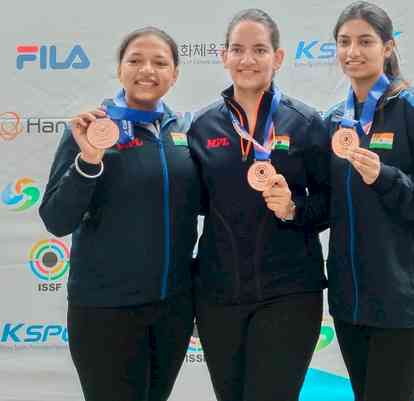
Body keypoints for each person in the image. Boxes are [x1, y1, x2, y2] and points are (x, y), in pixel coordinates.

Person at [39, 26, 200, 401]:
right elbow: (56, 219)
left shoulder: (182, 132)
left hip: (171, 308)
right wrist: (89, 160)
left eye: (160, 62)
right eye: (136, 60)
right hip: (105, 308)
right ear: (119, 69)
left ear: (174, 74)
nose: (148, 69)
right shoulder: (92, 129)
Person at [187, 8, 330, 401]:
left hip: (289, 294)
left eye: (259, 50)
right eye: (237, 49)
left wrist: (294, 209)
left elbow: (331, 205)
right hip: (219, 297)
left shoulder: (306, 123)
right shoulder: (201, 127)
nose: (247, 59)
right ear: (224, 56)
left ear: (278, 58)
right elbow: (191, 208)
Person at [322, 2, 414, 400]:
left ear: (388, 46)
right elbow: (329, 204)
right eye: (344, 42)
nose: (353, 51)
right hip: (352, 302)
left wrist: (385, 177)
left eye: (365, 41)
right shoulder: (335, 121)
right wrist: (290, 204)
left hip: (405, 301)